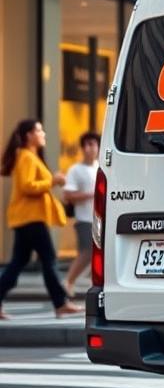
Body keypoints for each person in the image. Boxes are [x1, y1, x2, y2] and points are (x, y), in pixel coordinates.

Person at [0, 119, 81, 320]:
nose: (43, 133)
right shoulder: (27, 157)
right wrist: (53, 181)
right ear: (29, 135)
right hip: (31, 218)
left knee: (19, 263)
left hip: (28, 218)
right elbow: (28, 186)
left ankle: (60, 304)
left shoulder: (29, 156)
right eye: (39, 130)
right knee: (49, 260)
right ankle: (61, 304)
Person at [63, 131, 100, 300]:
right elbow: (68, 194)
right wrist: (92, 194)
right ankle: (69, 281)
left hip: (100, 218)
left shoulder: (101, 167)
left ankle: (95, 284)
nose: (88, 148)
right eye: (85, 145)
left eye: (92, 144)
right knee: (86, 253)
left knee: (97, 254)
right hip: (84, 219)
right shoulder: (75, 170)